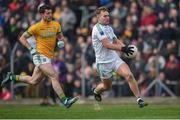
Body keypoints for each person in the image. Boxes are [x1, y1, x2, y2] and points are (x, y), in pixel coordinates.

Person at [1, 4, 78, 108]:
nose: (50, 15)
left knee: (34, 81)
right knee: (54, 76)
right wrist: (31, 49)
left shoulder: (56, 24)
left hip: (48, 57)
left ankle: (11, 76)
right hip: (39, 55)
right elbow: (22, 38)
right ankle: (65, 101)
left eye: (51, 13)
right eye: (47, 13)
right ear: (42, 14)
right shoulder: (36, 27)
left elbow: (61, 37)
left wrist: (61, 41)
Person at [91, 6, 147, 108]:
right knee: (107, 87)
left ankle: (139, 99)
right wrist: (122, 49)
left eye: (108, 16)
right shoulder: (97, 29)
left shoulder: (109, 27)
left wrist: (125, 48)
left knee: (129, 75)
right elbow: (107, 45)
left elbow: (116, 41)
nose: (107, 18)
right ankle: (96, 91)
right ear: (98, 16)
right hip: (103, 62)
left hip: (114, 58)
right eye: (104, 16)